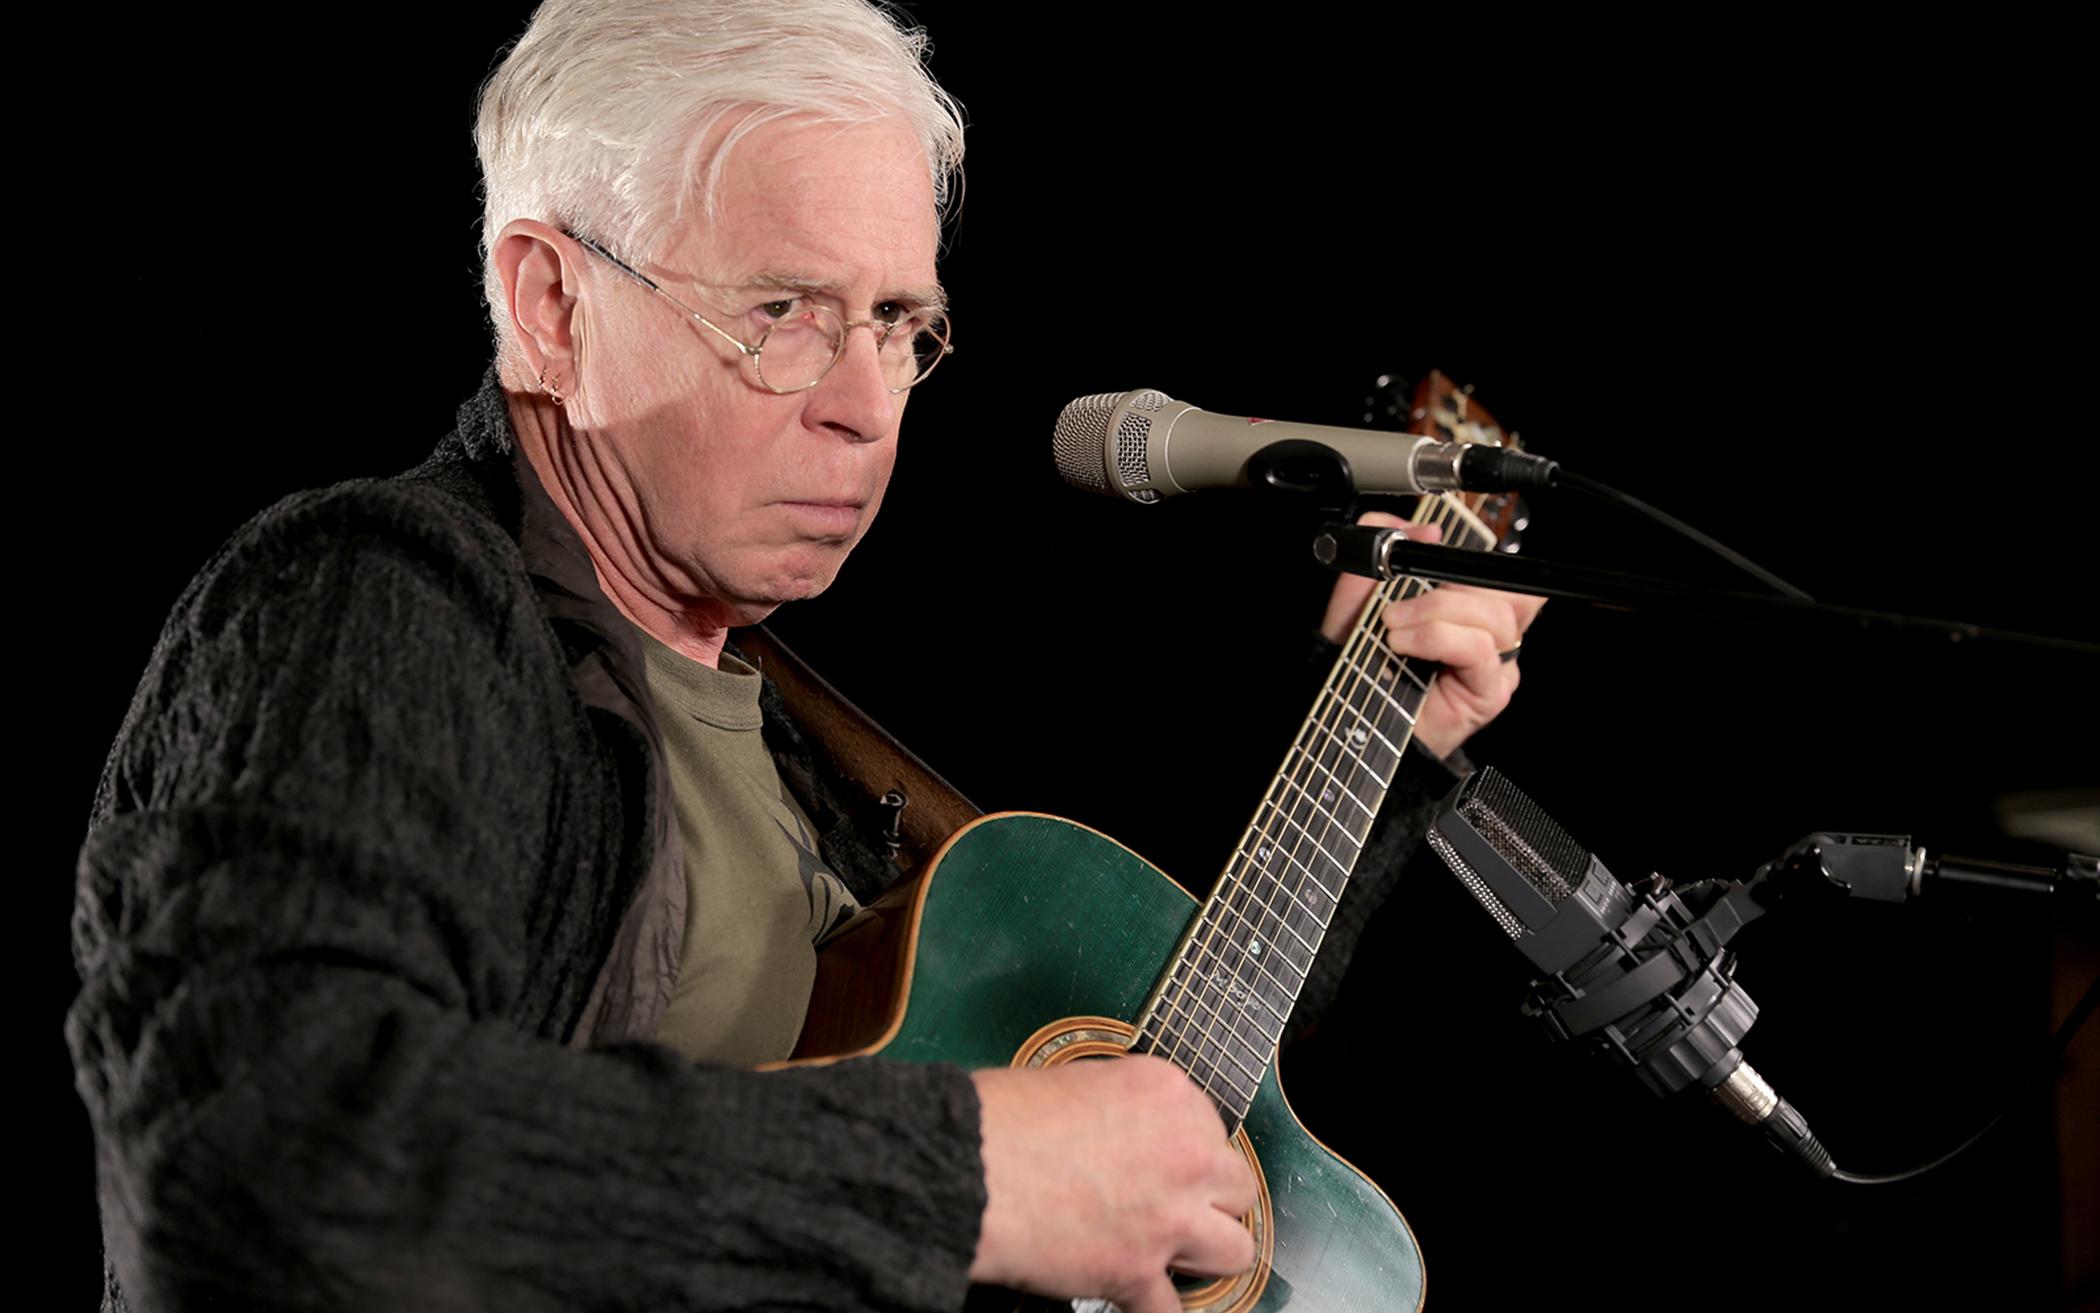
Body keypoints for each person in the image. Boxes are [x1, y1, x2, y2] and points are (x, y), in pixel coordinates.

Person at [66, 3, 1540, 1310]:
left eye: (899, 323)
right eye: (783, 311)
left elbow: (1174, 1118)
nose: (866, 405)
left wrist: (1391, 741)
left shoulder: (782, 737)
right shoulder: (387, 601)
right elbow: (258, 1157)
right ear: (549, 305)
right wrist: (966, 1176)